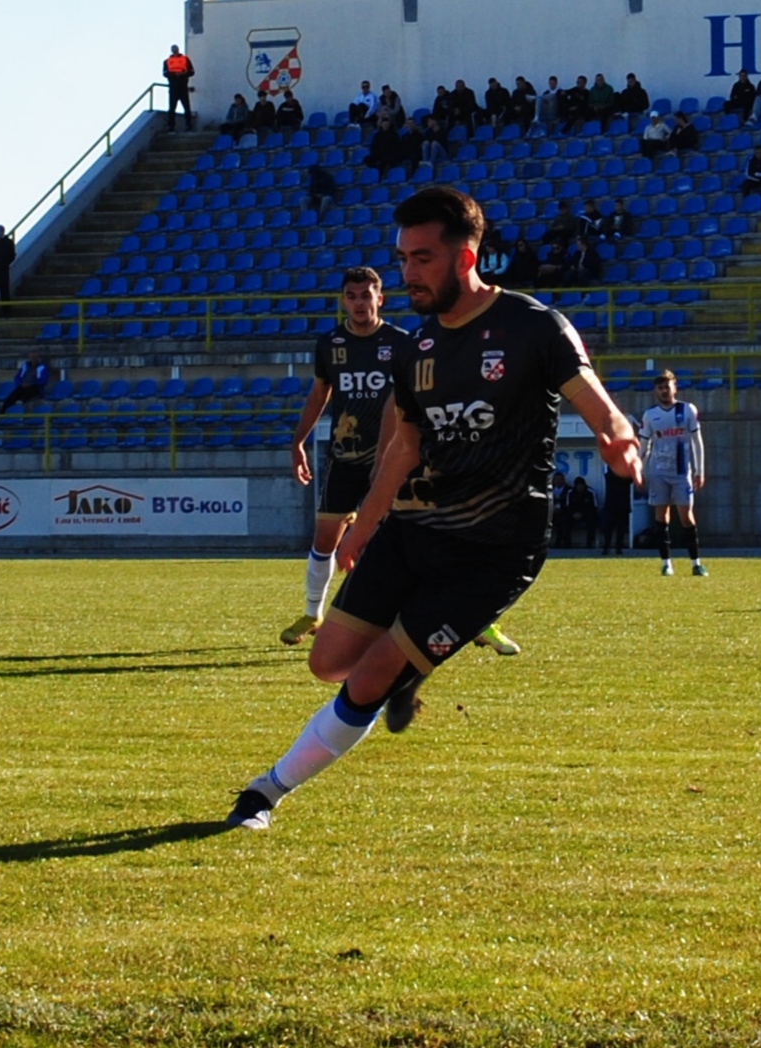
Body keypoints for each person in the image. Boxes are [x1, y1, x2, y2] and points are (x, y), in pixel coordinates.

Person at [226, 185, 642, 831]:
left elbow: (588, 390)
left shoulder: (531, 326)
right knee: (327, 663)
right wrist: (362, 527)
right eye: (401, 258)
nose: (406, 273)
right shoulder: (416, 350)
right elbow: (401, 447)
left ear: (464, 259)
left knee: (369, 677)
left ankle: (261, 794)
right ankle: (410, 667)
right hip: (414, 529)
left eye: (421, 259)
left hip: (493, 552)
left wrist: (617, 434)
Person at [277, 266, 414, 648]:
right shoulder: (330, 344)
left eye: (365, 296)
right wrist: (298, 441)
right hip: (345, 457)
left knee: (394, 541)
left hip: (389, 461)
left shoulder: (400, 343)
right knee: (324, 539)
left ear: (380, 298)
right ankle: (312, 612)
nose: (359, 303)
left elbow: (406, 402)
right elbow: (319, 394)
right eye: (351, 296)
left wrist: (392, 455)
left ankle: (396, 618)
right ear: (343, 301)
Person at [638, 369, 707, 576]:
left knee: (686, 517)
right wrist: (639, 470)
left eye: (667, 387)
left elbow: (697, 441)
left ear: (674, 388)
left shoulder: (686, 410)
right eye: (660, 388)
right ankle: (666, 563)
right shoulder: (650, 415)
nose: (664, 391)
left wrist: (699, 470)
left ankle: (696, 563)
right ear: (655, 391)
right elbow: (644, 446)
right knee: (661, 516)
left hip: (681, 472)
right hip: (658, 472)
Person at [600, 461, 634, 554]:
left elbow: (631, 479)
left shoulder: (621, 476)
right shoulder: (611, 474)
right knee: (611, 528)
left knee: (619, 528)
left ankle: (615, 548)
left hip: (618, 504)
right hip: (613, 505)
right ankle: (608, 547)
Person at [163, 44, 195, 132]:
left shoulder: (185, 59)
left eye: (176, 49)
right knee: (172, 109)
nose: (175, 51)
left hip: (183, 86)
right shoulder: (167, 61)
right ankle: (171, 127)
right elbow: (165, 73)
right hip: (173, 87)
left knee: (187, 108)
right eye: (173, 49)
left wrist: (183, 74)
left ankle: (189, 126)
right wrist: (174, 75)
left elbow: (192, 71)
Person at [564, 476, 600, 548]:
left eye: (582, 485)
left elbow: (594, 507)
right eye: (578, 485)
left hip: (586, 515)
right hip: (573, 515)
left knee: (592, 519)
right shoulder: (570, 493)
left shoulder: (590, 493)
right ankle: (567, 544)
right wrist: (573, 514)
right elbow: (567, 506)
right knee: (564, 520)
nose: (580, 487)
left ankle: (589, 544)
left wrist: (582, 514)